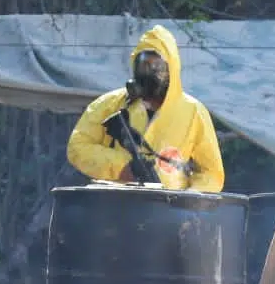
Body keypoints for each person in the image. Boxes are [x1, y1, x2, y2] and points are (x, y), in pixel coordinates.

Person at [66, 24, 225, 192]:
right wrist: (121, 167)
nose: (150, 73)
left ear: (172, 69)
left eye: (157, 67)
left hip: (170, 212)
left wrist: (188, 199)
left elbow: (212, 174)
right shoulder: (109, 105)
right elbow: (77, 146)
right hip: (114, 207)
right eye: (143, 66)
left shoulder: (193, 112)